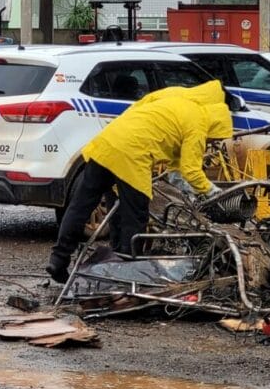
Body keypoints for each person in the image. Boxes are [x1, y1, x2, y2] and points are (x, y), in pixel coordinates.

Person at [47, 81, 233, 283]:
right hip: (133, 155)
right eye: (213, 138)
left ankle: (58, 260)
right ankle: (127, 272)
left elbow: (176, 167)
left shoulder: (174, 96)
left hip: (106, 144)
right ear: (218, 119)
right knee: (135, 217)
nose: (210, 142)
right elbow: (191, 169)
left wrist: (186, 188)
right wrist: (212, 192)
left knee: (82, 207)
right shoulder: (200, 122)